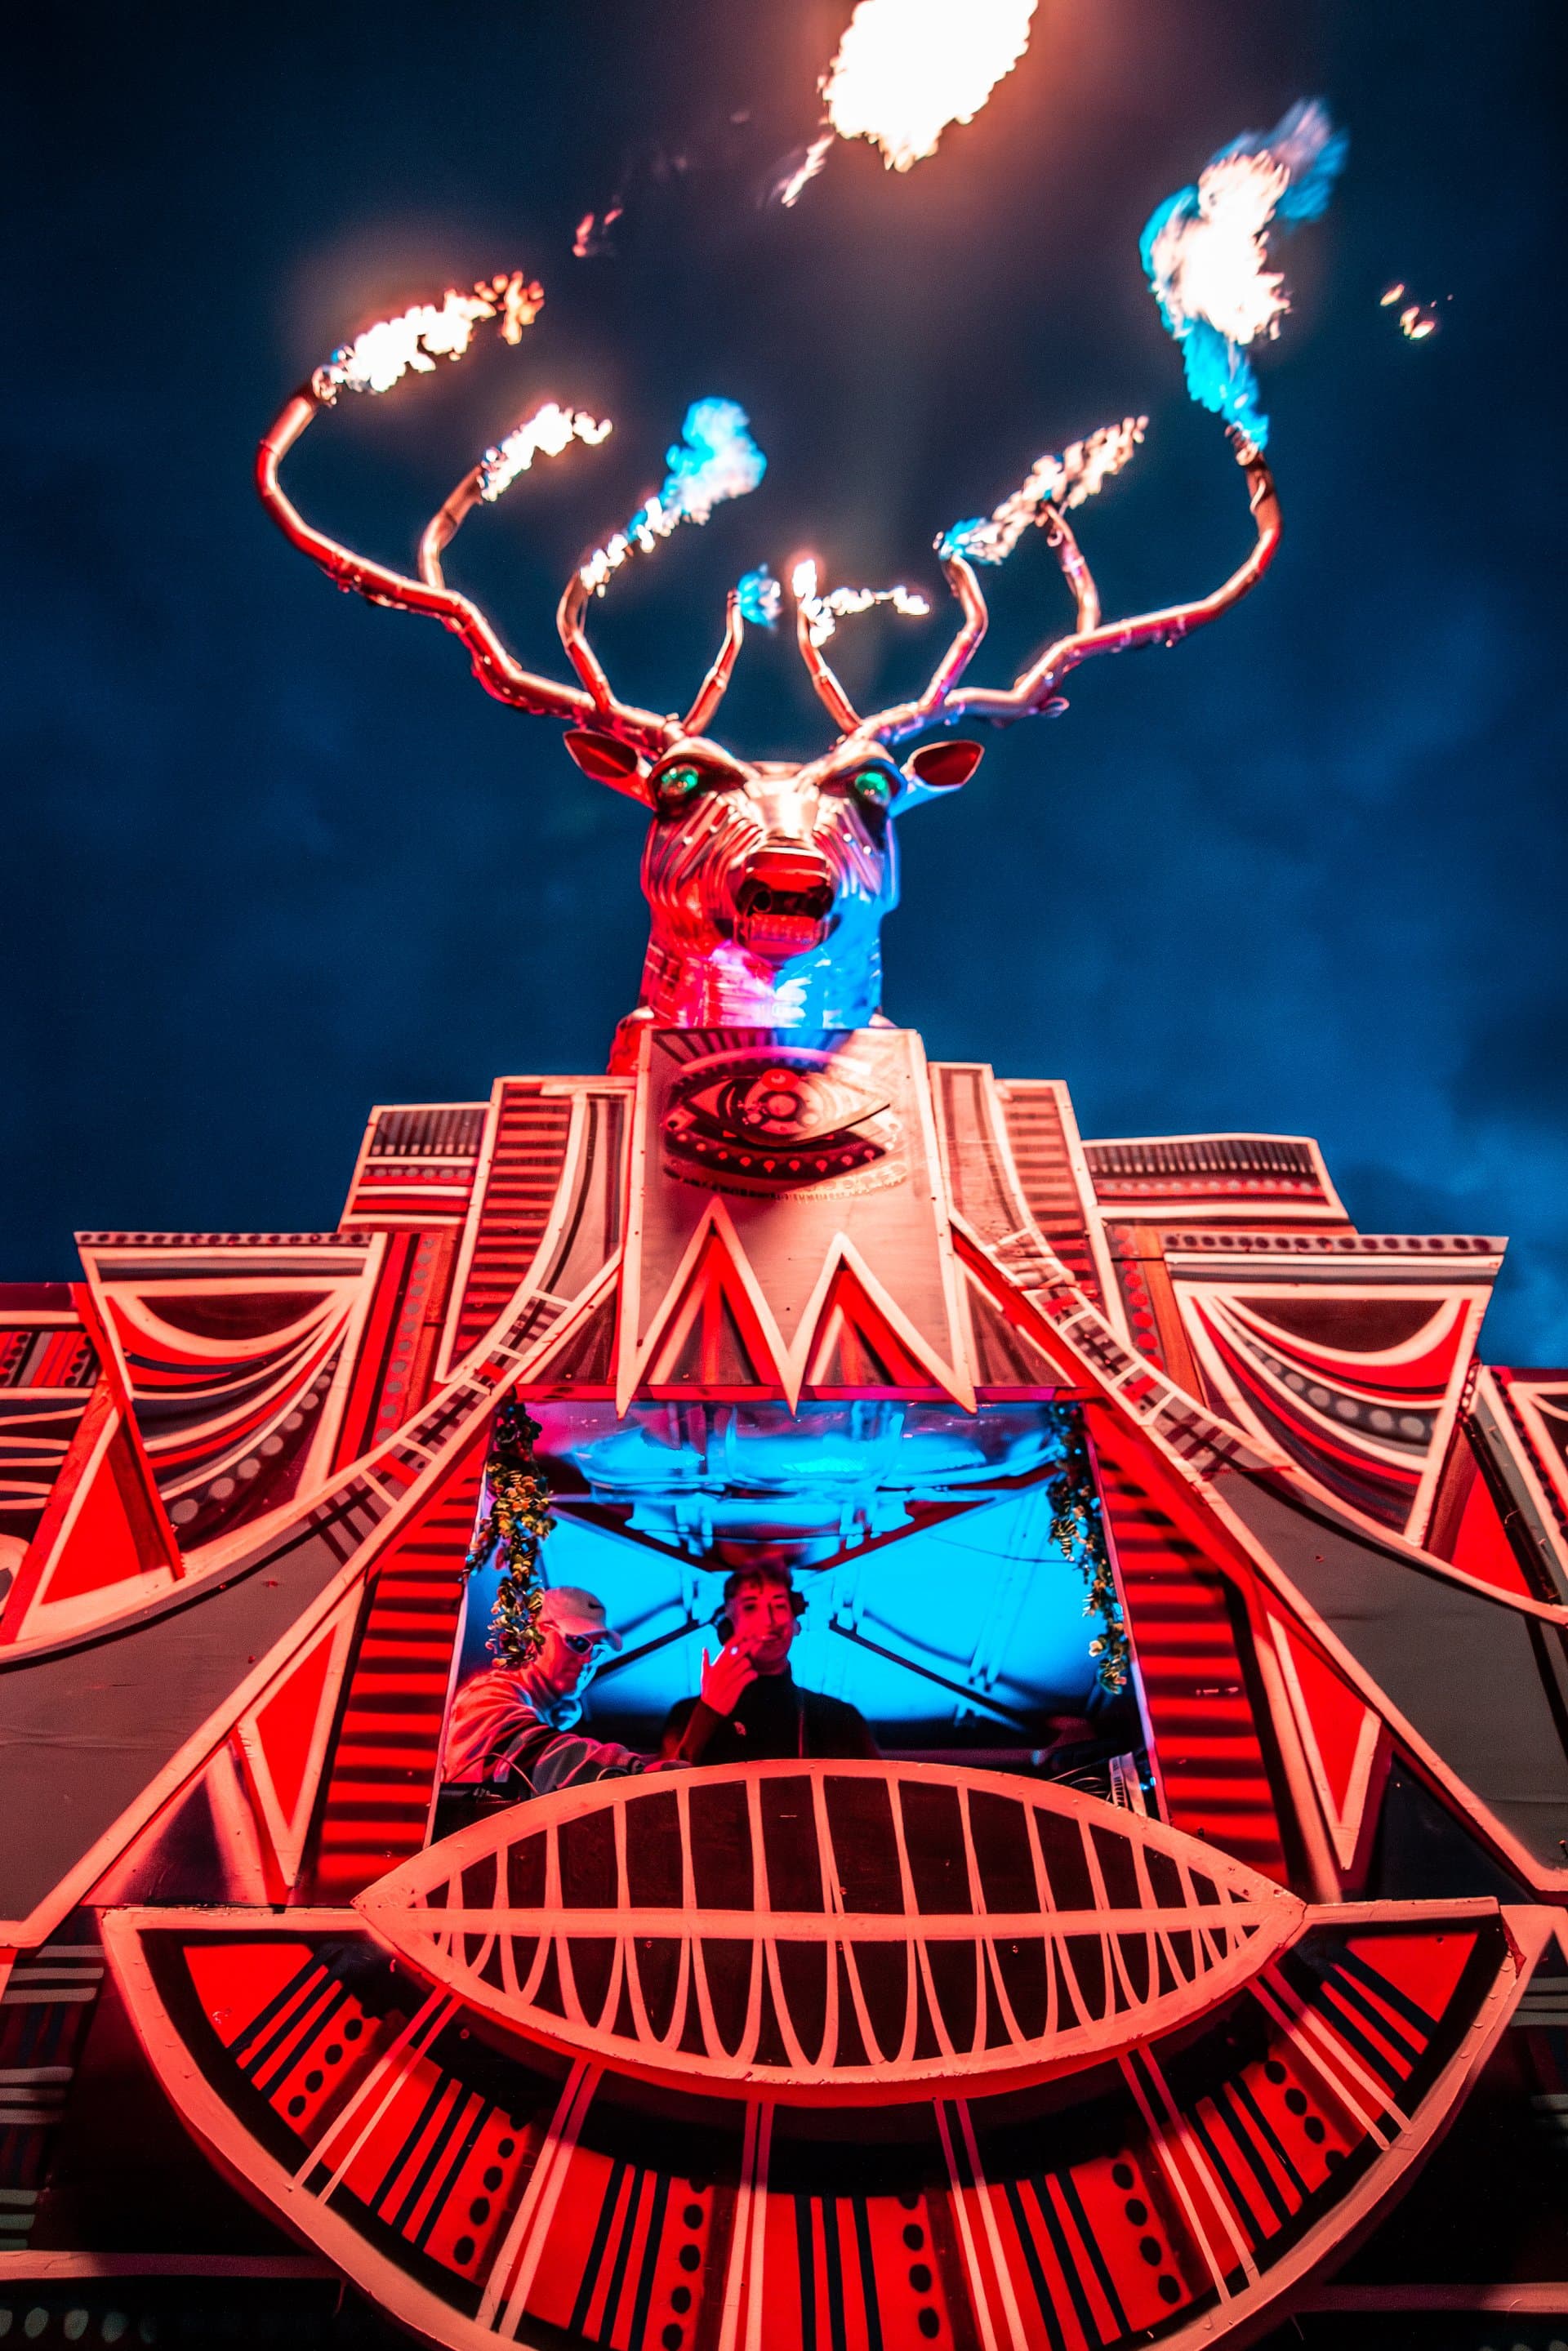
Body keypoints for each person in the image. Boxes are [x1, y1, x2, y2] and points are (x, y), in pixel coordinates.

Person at [444, 1584, 684, 1799]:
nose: (589, 1659)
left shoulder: (538, 1713)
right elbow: (534, 1756)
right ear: (533, 1637)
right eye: (579, 1643)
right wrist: (636, 1769)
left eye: (598, 1651)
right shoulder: (486, 1694)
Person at [660, 1563, 880, 1764]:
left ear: (795, 1624)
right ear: (728, 1625)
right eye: (750, 1607)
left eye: (779, 1606)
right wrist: (707, 1713)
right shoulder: (686, 1715)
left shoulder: (842, 1719)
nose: (768, 1620)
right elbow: (662, 1792)